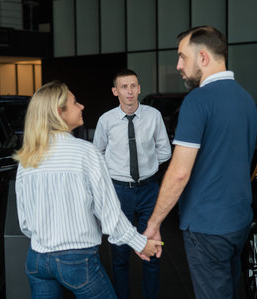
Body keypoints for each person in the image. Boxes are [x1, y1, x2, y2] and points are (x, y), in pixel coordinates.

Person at [14, 80, 163, 299]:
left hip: (37, 260)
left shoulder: (26, 158)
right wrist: (141, 244)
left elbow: (25, 223)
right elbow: (110, 215)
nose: (82, 106)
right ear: (59, 112)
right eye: (75, 103)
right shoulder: (86, 153)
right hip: (77, 261)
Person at [142, 26, 257, 299]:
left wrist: (154, 223)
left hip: (206, 228)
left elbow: (179, 173)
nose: (178, 66)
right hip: (239, 222)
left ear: (203, 57)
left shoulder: (197, 101)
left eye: (183, 57)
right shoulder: (247, 99)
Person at [93, 69, 171, 299]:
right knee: (119, 254)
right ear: (115, 91)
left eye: (133, 86)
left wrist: (147, 167)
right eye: (124, 87)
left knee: (154, 249)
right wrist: (113, 175)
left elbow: (165, 151)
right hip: (118, 192)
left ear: (139, 88)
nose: (129, 91)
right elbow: (98, 154)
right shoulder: (106, 120)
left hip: (149, 190)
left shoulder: (153, 116)